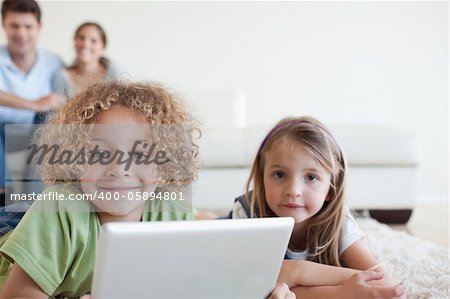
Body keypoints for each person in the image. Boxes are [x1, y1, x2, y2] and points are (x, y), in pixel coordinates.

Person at [0, 81, 197, 297]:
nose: (120, 169)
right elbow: (17, 295)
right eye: (100, 154)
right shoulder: (61, 207)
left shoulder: (172, 211)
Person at [228, 116, 406, 298]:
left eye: (311, 177)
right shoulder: (247, 213)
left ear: (331, 187)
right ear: (262, 177)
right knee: (209, 223)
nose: (293, 191)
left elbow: (383, 284)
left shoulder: (339, 223)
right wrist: (341, 291)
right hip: (230, 222)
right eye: (280, 174)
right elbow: (250, 285)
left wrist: (294, 272)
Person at [0, 0, 65, 203]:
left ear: (39, 27)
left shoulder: (53, 62)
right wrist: (34, 103)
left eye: (28, 26)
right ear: (4, 25)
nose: (21, 33)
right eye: (14, 26)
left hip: (37, 136)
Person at [51, 22, 121, 99]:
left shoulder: (114, 73)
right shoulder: (61, 77)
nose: (85, 44)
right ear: (74, 42)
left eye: (93, 40)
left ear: (103, 48)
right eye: (81, 38)